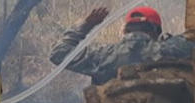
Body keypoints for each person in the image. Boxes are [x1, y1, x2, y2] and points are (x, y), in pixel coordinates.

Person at [50, 5, 192, 85]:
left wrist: (86, 24)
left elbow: (59, 53)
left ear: (124, 30)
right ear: (157, 32)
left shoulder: (102, 55)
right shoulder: (172, 50)